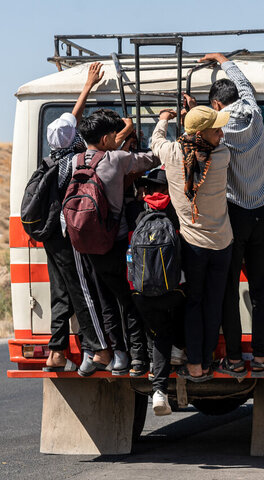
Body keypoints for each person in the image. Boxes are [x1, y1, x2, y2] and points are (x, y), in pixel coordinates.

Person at [198, 52, 264, 377]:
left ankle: (233, 359)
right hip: (261, 214)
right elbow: (245, 88)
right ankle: (260, 358)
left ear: (216, 107)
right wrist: (225, 61)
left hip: (232, 217)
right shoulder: (255, 114)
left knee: (229, 290)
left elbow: (198, 139)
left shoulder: (220, 135)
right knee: (262, 290)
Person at [74, 109, 160, 377]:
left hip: (86, 242)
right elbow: (152, 159)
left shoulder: (76, 160)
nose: (116, 138)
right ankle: (137, 357)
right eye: (112, 135)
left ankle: (118, 354)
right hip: (116, 241)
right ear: (104, 138)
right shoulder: (116, 159)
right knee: (128, 299)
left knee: (106, 301)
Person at [150, 106, 232, 382]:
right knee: (214, 304)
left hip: (192, 246)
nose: (221, 134)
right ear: (202, 133)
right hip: (223, 244)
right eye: (216, 129)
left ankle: (196, 365)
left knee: (194, 303)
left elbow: (156, 141)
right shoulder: (222, 156)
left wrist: (163, 120)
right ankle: (207, 362)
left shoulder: (172, 154)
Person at [42, 62, 112, 372]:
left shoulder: (51, 158)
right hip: (69, 233)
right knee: (83, 291)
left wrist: (85, 86)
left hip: (49, 234)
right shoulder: (75, 162)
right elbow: (76, 122)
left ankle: (56, 352)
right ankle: (99, 350)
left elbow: (73, 120)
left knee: (61, 292)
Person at [127, 168, 186, 415]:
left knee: (157, 328)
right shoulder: (178, 212)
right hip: (171, 292)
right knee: (183, 310)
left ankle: (157, 382)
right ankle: (180, 351)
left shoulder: (134, 213)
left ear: (146, 190)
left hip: (140, 292)